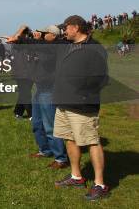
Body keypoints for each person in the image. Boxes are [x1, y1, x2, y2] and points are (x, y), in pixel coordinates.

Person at [52, 15, 110, 201]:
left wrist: (82, 91)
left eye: (66, 27)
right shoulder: (68, 46)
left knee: (92, 141)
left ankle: (100, 184)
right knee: (69, 138)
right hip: (64, 102)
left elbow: (101, 77)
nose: (64, 31)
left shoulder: (95, 48)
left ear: (76, 27)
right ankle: (77, 176)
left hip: (83, 104)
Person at [26, 25, 69, 169]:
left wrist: (37, 43)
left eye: (44, 33)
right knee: (37, 124)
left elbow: (44, 58)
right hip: (39, 88)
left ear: (53, 35)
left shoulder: (55, 47)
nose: (41, 35)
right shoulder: (44, 47)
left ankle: (61, 158)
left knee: (50, 125)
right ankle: (45, 150)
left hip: (49, 90)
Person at [6, 25, 34, 119]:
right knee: (25, 93)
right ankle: (31, 114)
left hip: (28, 72)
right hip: (20, 73)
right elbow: (12, 39)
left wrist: (22, 30)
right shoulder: (17, 44)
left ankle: (18, 112)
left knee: (24, 93)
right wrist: (21, 29)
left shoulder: (28, 43)